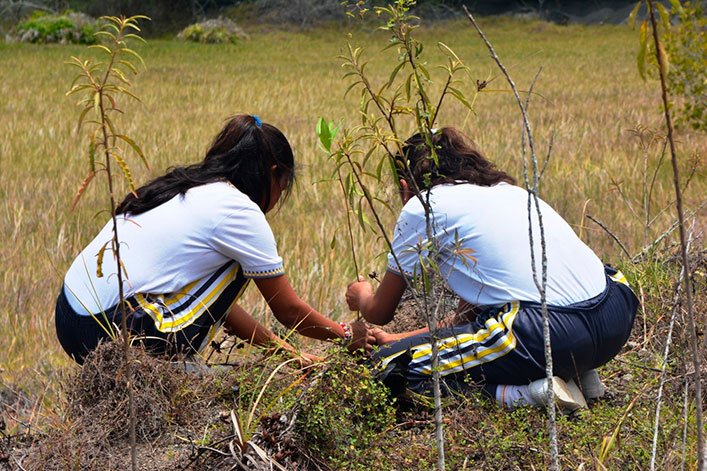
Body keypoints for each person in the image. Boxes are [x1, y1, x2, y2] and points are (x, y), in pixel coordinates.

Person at [345, 127, 638, 412]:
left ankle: (527, 394)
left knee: (384, 370)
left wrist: (362, 294)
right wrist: (399, 340)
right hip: (616, 311)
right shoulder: (508, 192)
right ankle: (581, 369)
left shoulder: (420, 206)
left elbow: (379, 312)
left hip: (548, 333)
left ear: (405, 187)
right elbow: (465, 319)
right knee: (481, 331)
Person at [56, 114, 372, 365]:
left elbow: (217, 308)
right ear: (273, 173)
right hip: (104, 331)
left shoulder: (186, 186)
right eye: (283, 186)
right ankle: (177, 370)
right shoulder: (240, 212)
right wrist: (346, 334)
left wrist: (292, 357)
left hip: (71, 315)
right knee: (240, 266)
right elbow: (287, 310)